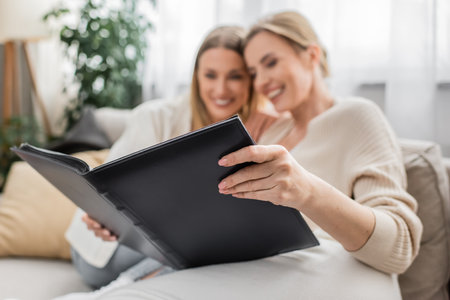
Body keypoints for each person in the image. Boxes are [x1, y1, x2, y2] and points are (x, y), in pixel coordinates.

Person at [88, 11, 423, 300]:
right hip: (243, 268)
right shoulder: (267, 133)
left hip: (310, 271)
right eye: (254, 72)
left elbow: (400, 246)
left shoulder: (356, 116)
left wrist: (307, 191)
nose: (262, 82)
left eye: (271, 63)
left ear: (312, 55)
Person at [57, 25, 279, 299]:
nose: (220, 89)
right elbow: (103, 188)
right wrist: (102, 215)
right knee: (205, 238)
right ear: (197, 77)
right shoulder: (155, 117)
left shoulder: (268, 128)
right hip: (106, 251)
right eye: (210, 75)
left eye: (235, 76)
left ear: (251, 79)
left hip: (181, 247)